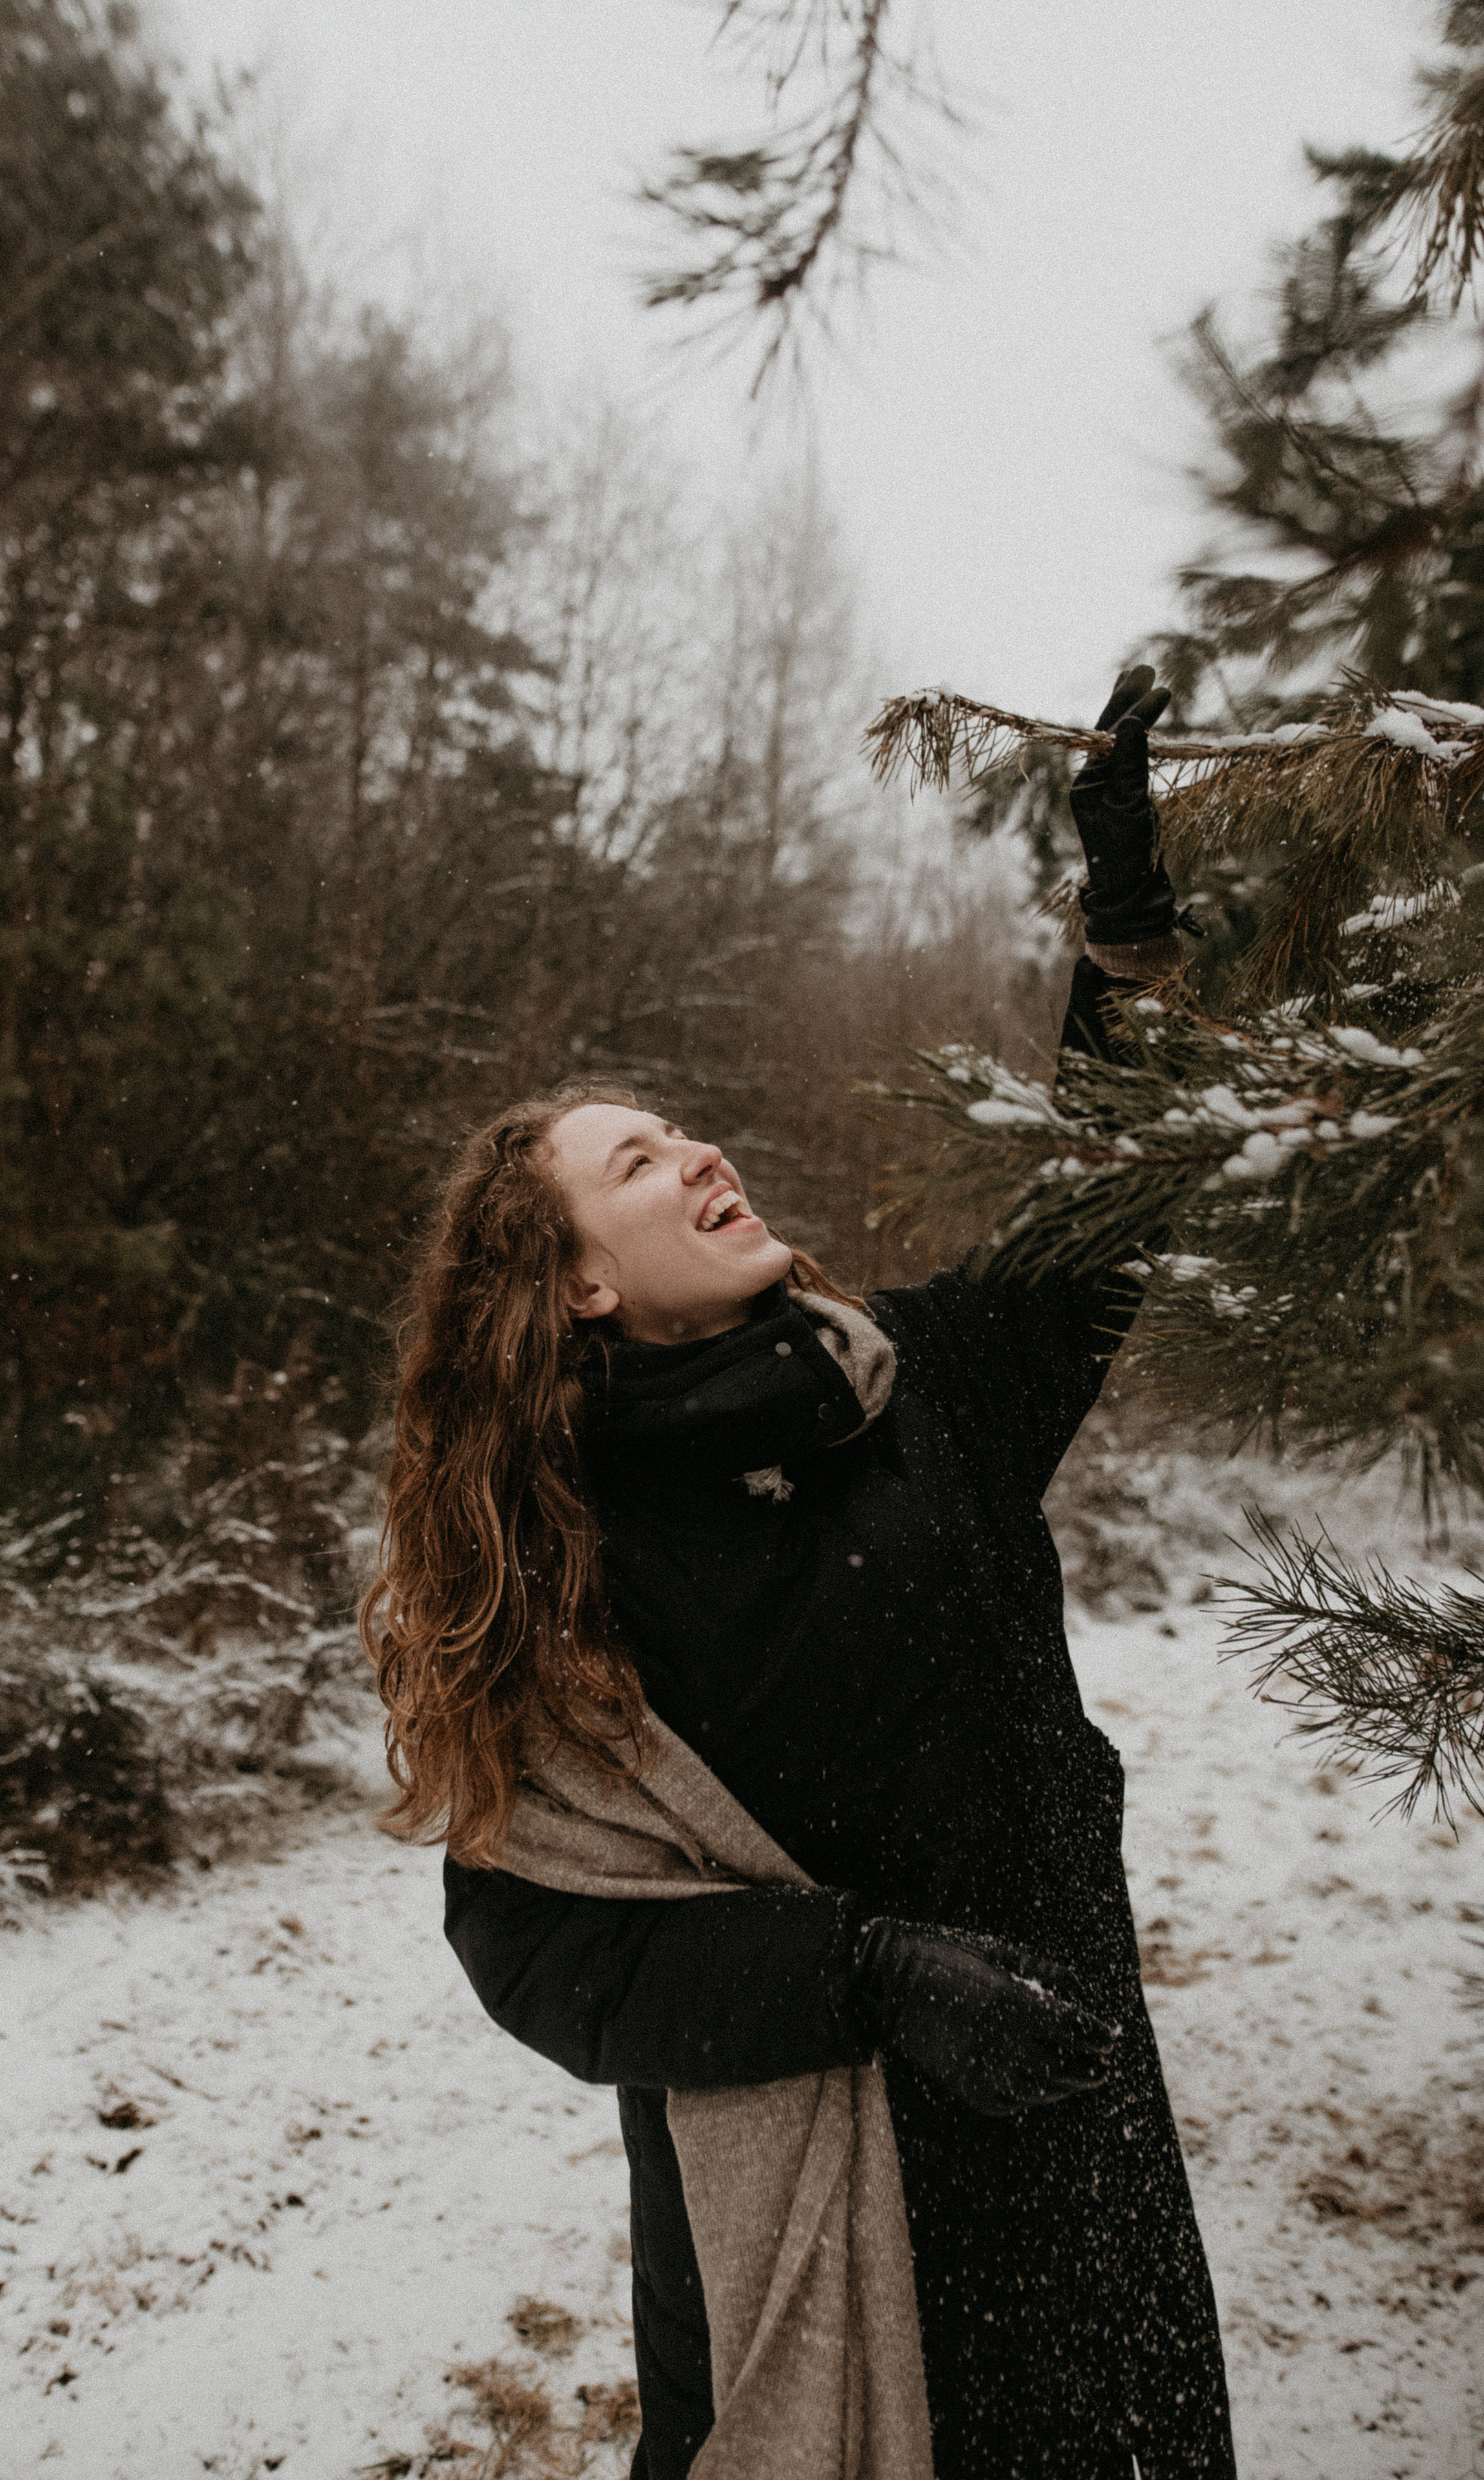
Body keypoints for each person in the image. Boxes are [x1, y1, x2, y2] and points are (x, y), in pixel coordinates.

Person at [363, 671, 1236, 2480]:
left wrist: (1124, 951)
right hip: (820, 2206)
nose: (700, 1149)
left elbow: (1096, 1224)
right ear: (578, 1279)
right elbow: (534, 1940)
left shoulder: (907, 1391)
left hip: (1077, 2142)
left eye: (684, 1128)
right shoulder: (560, 1558)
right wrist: (869, 1975)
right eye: (639, 1156)